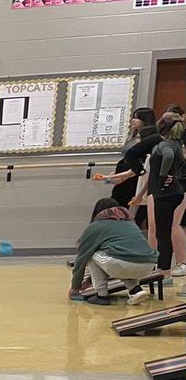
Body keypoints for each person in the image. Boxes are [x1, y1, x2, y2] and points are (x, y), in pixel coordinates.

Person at [69, 198, 158, 306]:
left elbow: (82, 258)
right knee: (124, 259)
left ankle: (102, 296)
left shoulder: (95, 226)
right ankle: (135, 290)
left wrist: (75, 287)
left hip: (121, 263)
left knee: (91, 254)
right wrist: (89, 281)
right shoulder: (130, 223)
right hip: (148, 266)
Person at [132, 115, 186, 280]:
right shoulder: (177, 144)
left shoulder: (165, 145)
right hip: (170, 191)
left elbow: (168, 159)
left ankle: (165, 273)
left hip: (167, 193)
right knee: (162, 231)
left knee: (165, 232)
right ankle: (162, 270)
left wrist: (164, 177)